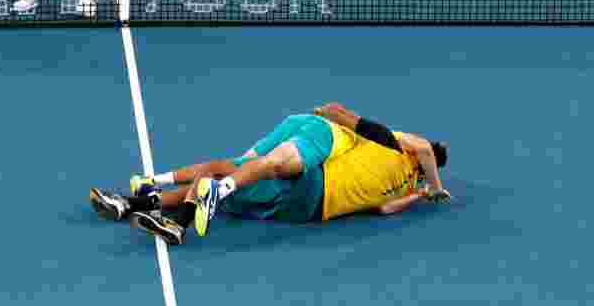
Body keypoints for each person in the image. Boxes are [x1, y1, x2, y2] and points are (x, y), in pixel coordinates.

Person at [89, 103, 451, 245]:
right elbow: (384, 210)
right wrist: (423, 194)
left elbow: (340, 113)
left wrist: (435, 186)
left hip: (317, 181)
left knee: (225, 171)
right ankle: (134, 204)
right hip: (309, 214)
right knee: (231, 192)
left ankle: (166, 199)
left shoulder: (392, 142)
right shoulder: (401, 186)